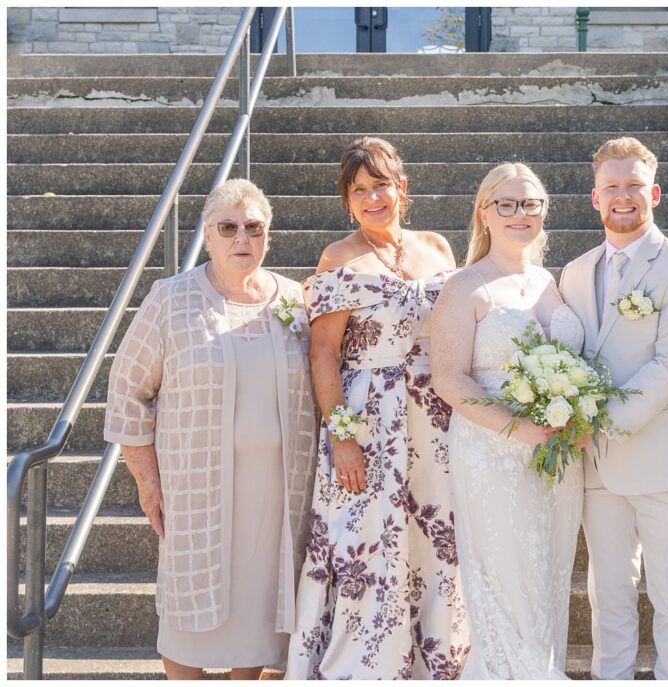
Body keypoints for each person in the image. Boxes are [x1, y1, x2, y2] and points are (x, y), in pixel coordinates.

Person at [103, 179, 318, 680]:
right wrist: (147, 481)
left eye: (254, 227)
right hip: (196, 489)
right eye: (228, 227)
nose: (241, 237)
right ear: (207, 234)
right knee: (186, 624)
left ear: (268, 234)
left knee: (258, 626)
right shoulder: (170, 299)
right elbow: (128, 391)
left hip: (278, 493)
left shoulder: (294, 299)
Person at [285, 137, 469, 679]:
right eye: (359, 191)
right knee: (367, 541)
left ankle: (439, 659)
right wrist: (342, 437)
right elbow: (323, 353)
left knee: (437, 538)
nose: (372, 199)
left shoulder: (438, 248)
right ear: (347, 201)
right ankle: (364, 666)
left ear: (402, 188)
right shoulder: (339, 257)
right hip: (370, 421)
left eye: (380, 186)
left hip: (436, 418)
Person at [559, 137, 668, 680]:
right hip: (596, 470)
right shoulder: (574, 273)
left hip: (662, 462)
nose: (622, 197)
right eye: (611, 188)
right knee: (608, 598)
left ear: (655, 192)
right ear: (594, 199)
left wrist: (595, 427)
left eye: (633, 186)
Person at [431, 162, 585, 679]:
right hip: (491, 451)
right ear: (485, 213)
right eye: (508, 204)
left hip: (557, 455)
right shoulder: (466, 286)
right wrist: (519, 429)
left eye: (532, 204)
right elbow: (449, 379)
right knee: (506, 579)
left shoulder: (552, 282)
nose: (521, 214)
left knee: (548, 573)